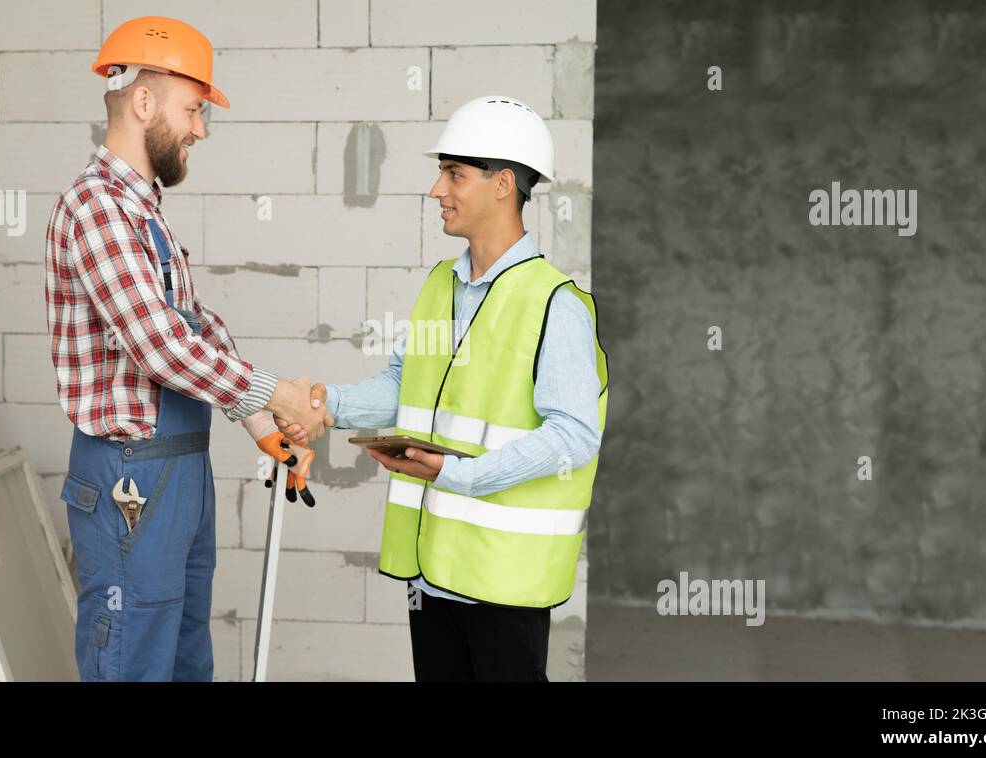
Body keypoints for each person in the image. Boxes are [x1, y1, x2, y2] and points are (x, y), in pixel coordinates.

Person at [281, 96, 609, 681]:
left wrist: (459, 473)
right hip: (434, 568)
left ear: (503, 184)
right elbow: (406, 386)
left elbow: (575, 435)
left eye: (454, 174)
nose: (438, 189)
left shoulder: (555, 304)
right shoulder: (441, 285)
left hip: (506, 580)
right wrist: (325, 404)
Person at [44, 16, 325, 681]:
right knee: (133, 662)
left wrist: (263, 425)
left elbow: (195, 326)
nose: (201, 128)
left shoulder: (143, 212)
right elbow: (161, 348)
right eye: (194, 109)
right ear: (143, 102)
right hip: (129, 478)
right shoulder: (97, 209)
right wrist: (279, 394)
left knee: (183, 660)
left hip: (178, 470)